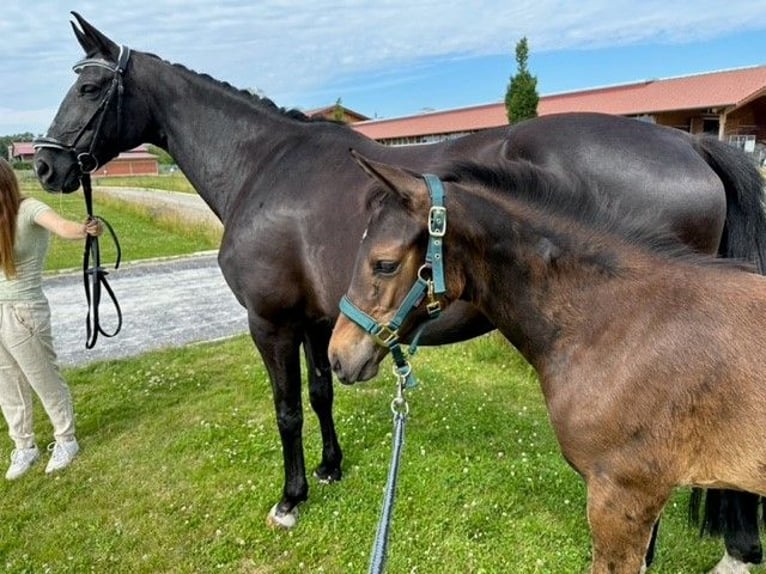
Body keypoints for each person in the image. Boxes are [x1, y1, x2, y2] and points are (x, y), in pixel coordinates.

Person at [0, 158, 102, 480]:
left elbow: (63, 227)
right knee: (7, 386)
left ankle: (66, 440)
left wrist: (85, 229)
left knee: (44, 379)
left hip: (24, 313)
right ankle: (24, 446)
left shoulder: (29, 209)